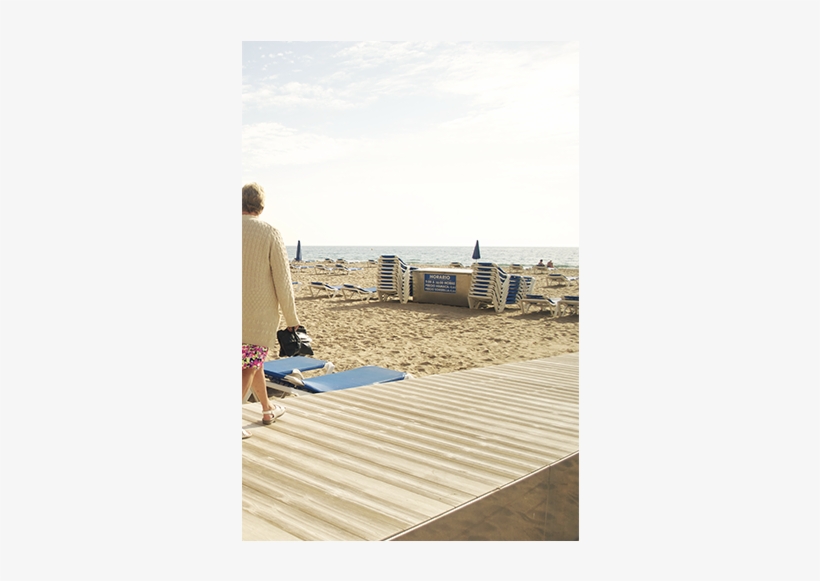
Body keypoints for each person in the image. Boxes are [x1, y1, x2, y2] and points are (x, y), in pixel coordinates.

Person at [242, 182, 301, 439]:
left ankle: (267, 409)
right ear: (261, 206)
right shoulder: (270, 232)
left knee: (255, 362)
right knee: (247, 365)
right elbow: (282, 280)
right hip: (257, 314)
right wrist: (291, 318)